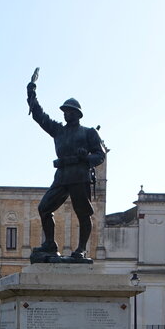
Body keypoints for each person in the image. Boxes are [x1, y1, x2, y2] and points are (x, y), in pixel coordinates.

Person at [26, 74, 106, 260]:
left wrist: (86, 157)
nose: (65, 113)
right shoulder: (58, 131)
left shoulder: (89, 132)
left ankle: (81, 249)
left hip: (79, 175)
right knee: (44, 208)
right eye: (64, 111)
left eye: (69, 111)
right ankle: (50, 244)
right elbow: (40, 116)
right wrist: (31, 94)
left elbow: (100, 155)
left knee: (83, 214)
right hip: (62, 175)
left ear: (77, 114)